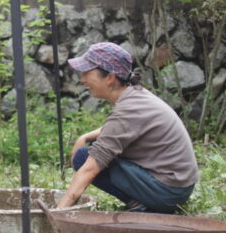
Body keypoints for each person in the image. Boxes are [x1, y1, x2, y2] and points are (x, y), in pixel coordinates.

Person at [57, 42, 199, 213]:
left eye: (87, 73)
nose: (82, 79)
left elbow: (89, 169)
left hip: (168, 191)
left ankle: (145, 207)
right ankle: (140, 203)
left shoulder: (128, 110)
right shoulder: (135, 95)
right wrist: (85, 137)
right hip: (177, 185)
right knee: (89, 153)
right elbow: (117, 130)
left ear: (110, 78)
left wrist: (57, 213)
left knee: (82, 157)